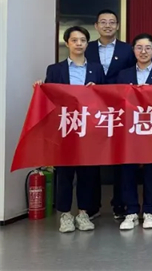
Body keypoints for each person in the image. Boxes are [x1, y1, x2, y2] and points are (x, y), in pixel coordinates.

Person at [34, 26, 105, 233]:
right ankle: (65, 214)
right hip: (64, 128)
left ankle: (83, 213)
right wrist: (39, 88)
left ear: (87, 43)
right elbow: (49, 98)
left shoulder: (96, 69)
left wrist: (96, 91)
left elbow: (106, 98)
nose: (79, 44)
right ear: (67, 43)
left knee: (87, 173)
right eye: (74, 40)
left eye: (83, 40)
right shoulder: (55, 70)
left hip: (88, 129)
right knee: (64, 173)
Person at [116, 33, 152, 230]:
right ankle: (130, 211)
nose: (143, 51)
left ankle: (150, 211)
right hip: (129, 130)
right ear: (133, 50)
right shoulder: (124, 75)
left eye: (148, 48)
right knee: (127, 170)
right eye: (139, 47)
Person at [85, 9, 135, 220]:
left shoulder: (128, 50)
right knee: (91, 157)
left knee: (120, 157)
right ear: (96, 26)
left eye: (112, 22)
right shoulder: (86, 48)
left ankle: (120, 204)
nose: (108, 25)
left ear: (117, 26)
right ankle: (91, 205)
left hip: (120, 110)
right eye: (103, 22)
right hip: (92, 110)